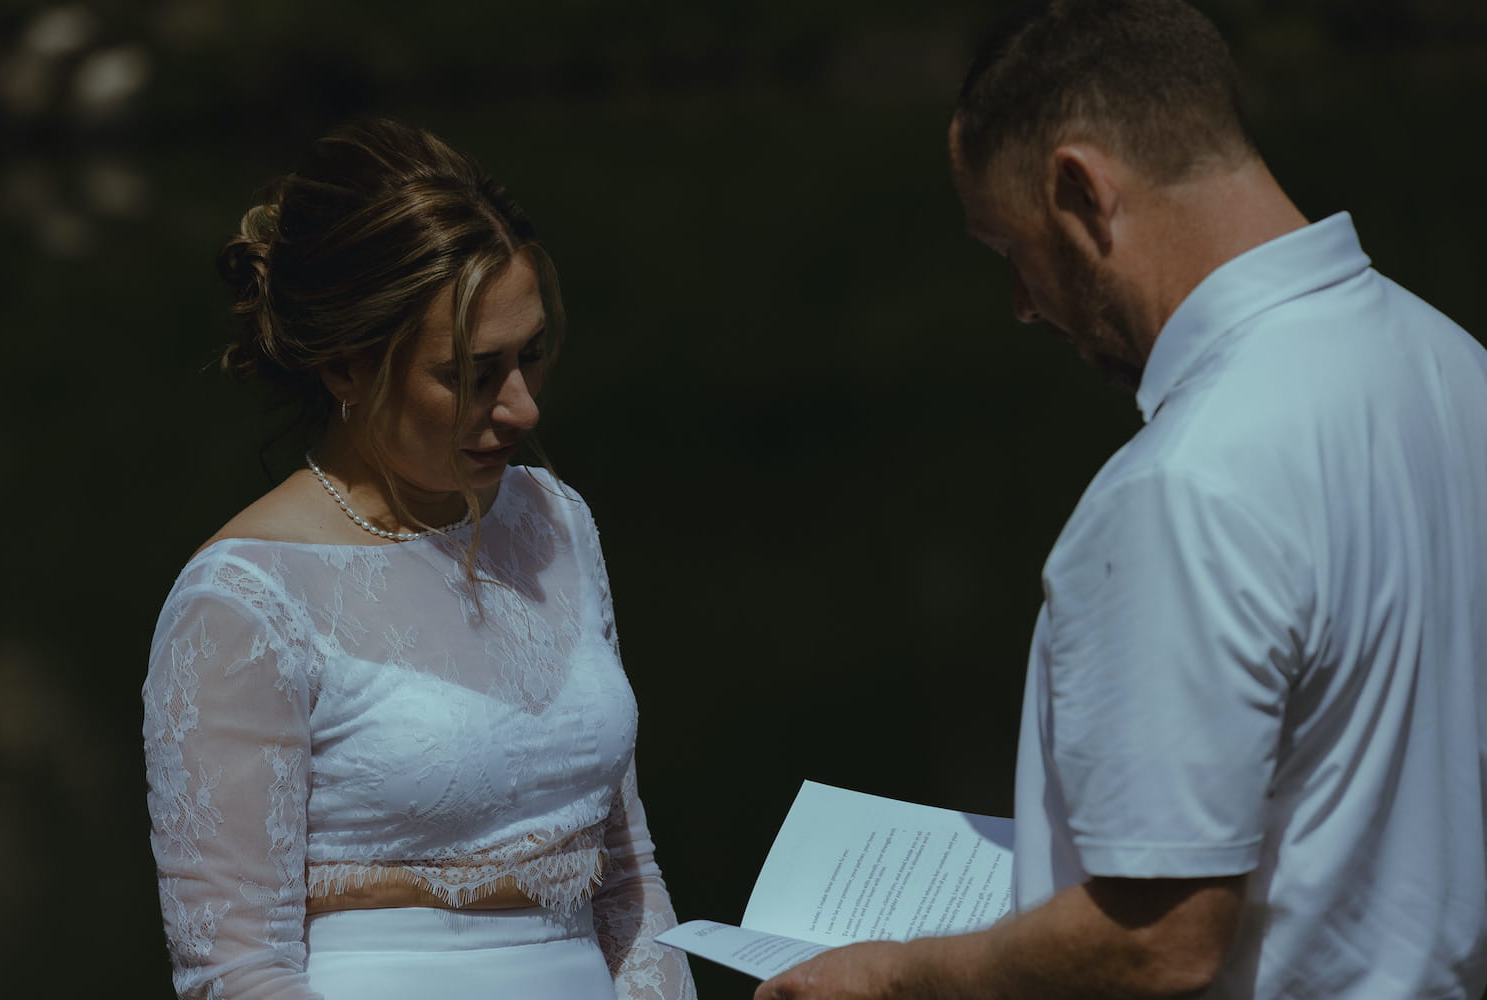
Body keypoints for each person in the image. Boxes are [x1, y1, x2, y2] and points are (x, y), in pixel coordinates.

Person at [757, 1, 1487, 997]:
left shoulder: (1185, 485)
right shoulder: (1452, 365)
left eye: (1009, 250)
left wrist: (895, 974)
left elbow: (1160, 940)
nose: (1020, 305)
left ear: (1079, 190)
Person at [142, 118, 697, 1000]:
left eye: (533, 357)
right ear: (347, 368)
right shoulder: (243, 601)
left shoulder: (554, 522)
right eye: (474, 373)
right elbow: (236, 971)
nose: (521, 409)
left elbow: (629, 872)